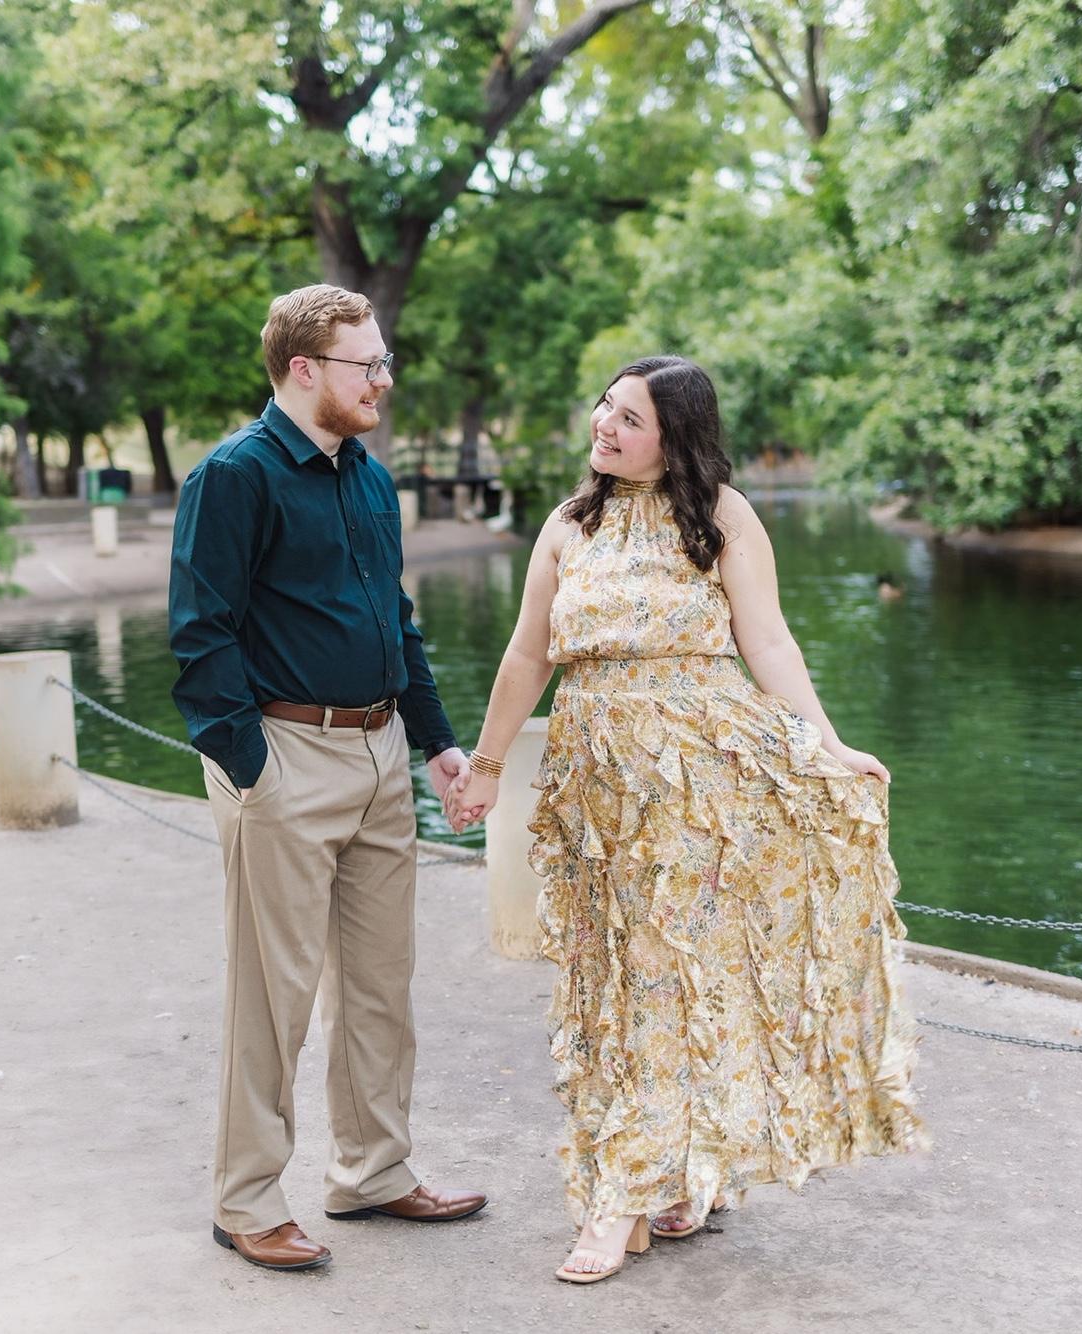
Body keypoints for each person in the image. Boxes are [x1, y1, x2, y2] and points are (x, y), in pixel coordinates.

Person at [445, 356, 927, 1284]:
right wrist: (489, 765)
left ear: (676, 434)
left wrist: (825, 744)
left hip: (700, 784)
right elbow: (524, 656)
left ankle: (621, 1192)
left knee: (667, 977)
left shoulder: (724, 516)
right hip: (593, 787)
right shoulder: (567, 524)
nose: (605, 425)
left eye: (629, 417)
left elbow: (770, 641)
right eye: (605, 407)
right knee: (606, 980)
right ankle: (671, 1166)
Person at [169, 284, 486, 1274]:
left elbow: (396, 620)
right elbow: (199, 634)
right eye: (367, 364)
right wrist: (250, 767)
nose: (382, 380)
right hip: (285, 756)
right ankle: (247, 1199)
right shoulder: (232, 476)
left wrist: (434, 743)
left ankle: (373, 1170)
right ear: (305, 369)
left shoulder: (366, 477)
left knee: (382, 985)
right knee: (276, 995)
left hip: (381, 753)